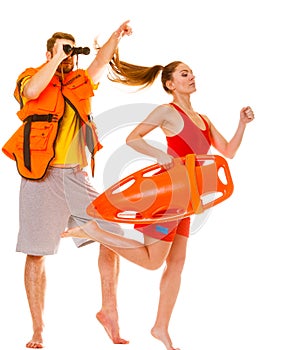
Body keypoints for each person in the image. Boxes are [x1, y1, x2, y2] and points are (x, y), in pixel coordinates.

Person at [61, 58, 255, 350]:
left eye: (191, 73)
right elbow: (133, 138)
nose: (192, 77)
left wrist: (242, 124)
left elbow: (228, 151)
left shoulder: (203, 119)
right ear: (170, 84)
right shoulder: (167, 111)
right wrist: (158, 154)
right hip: (170, 196)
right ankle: (95, 232)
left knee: (176, 265)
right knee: (154, 263)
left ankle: (160, 327)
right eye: (184, 74)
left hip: (191, 201)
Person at [2, 21, 132, 348]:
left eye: (71, 52)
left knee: (113, 234)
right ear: (49, 53)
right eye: (62, 50)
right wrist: (55, 60)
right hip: (41, 177)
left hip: (76, 175)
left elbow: (100, 62)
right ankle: (37, 330)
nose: (68, 57)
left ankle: (108, 310)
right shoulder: (31, 76)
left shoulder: (80, 82)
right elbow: (31, 93)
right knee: (36, 253)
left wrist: (116, 37)